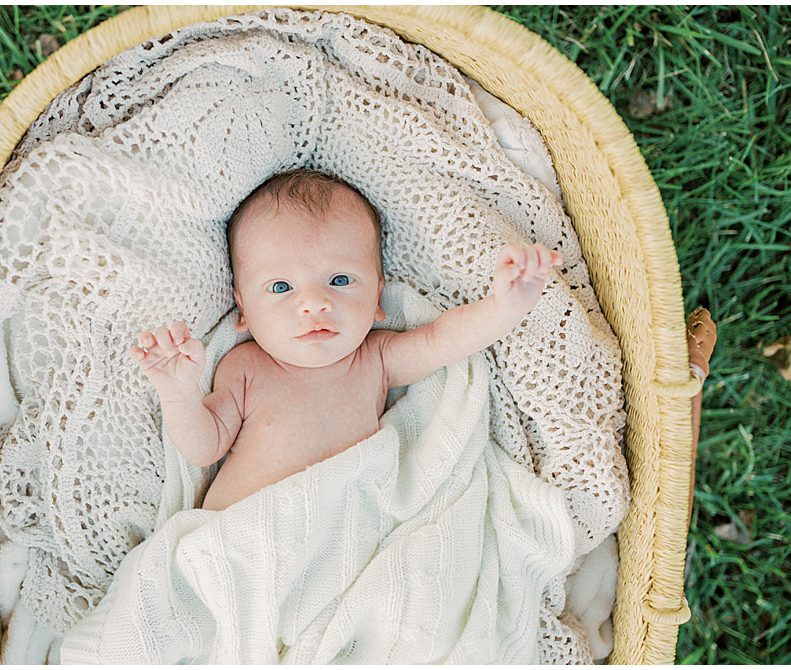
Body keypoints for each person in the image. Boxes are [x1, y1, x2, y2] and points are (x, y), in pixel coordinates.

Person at [131, 169, 563, 510]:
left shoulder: (374, 360)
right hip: (243, 538)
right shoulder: (245, 368)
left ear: (377, 297)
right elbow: (205, 447)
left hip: (340, 532)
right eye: (281, 287)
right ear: (243, 310)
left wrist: (506, 305)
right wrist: (178, 392)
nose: (314, 304)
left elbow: (443, 340)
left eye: (340, 280)